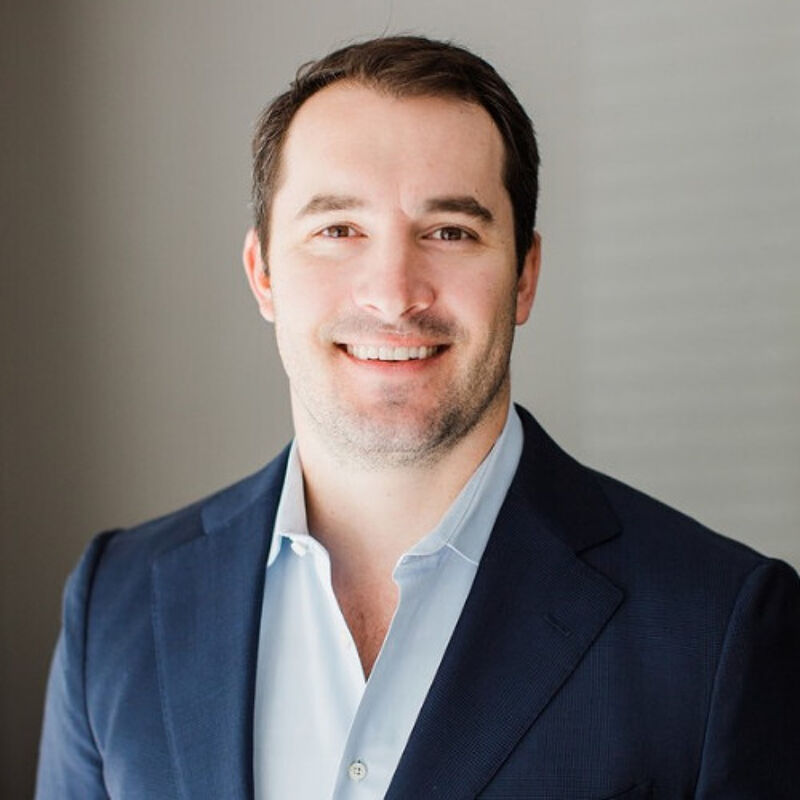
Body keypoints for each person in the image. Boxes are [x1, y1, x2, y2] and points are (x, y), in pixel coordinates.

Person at [36, 36, 799, 800]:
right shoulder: (117, 604)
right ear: (263, 274)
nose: (395, 293)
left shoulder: (719, 628)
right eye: (338, 230)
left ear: (524, 276)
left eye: (450, 232)